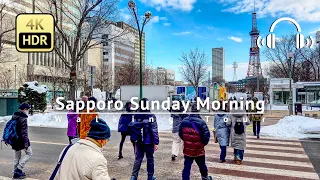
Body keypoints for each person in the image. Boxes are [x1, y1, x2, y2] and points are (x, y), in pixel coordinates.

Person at [179, 104, 212, 180]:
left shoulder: (184, 121)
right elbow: (206, 136)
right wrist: (203, 144)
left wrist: (187, 141)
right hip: (198, 149)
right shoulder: (201, 122)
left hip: (188, 150)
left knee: (187, 167)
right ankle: (205, 177)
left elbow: (180, 134)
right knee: (202, 165)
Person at [130, 98, 159, 180]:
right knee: (150, 159)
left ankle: (133, 176)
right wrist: (156, 142)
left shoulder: (136, 114)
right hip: (148, 141)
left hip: (139, 140)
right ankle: (150, 176)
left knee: (138, 159)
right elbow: (154, 130)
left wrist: (134, 140)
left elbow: (133, 128)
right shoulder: (151, 115)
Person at [12, 103, 33, 179]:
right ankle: (19, 169)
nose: (27, 111)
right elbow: (24, 132)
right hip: (21, 140)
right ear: (24, 109)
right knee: (29, 153)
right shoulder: (23, 118)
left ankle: (15, 173)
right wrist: (26, 143)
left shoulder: (14, 116)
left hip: (14, 139)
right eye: (27, 109)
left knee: (17, 157)